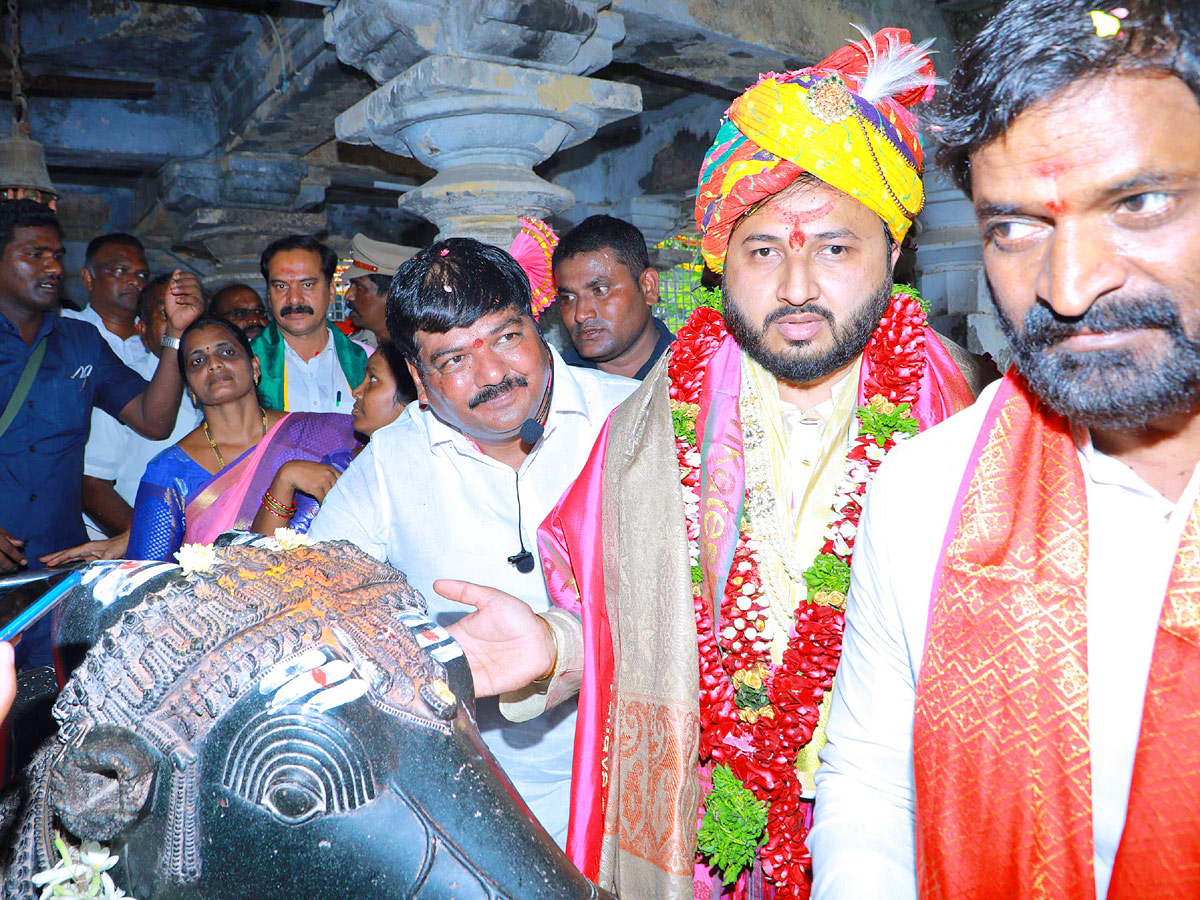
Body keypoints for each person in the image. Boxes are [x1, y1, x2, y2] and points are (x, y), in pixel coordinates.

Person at [439, 28, 991, 898]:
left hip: (911, 821)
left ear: (893, 252)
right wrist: (552, 648)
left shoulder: (964, 420)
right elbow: (620, 623)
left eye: (836, 247)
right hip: (706, 823)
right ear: (719, 262)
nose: (798, 284)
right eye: (764, 249)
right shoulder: (648, 430)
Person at [809, 3, 1200, 899]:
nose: (1067, 289)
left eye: (1138, 203)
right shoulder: (927, 491)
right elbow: (872, 781)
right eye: (1015, 228)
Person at [308, 237, 637, 848]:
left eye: (507, 338)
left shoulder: (639, 419)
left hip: (643, 782)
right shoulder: (390, 463)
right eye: (455, 359)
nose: (494, 375)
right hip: (479, 807)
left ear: (539, 330)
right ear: (419, 380)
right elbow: (314, 610)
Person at [0, 200, 200, 666]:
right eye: (34, 255)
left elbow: (154, 420)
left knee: (48, 714)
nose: (52, 267)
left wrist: (174, 336)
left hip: (57, 573)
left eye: (57, 255)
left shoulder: (80, 341)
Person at [127, 315, 360, 562]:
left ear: (255, 365)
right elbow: (148, 577)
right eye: (197, 361)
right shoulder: (168, 471)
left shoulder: (327, 433)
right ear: (190, 387)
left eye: (227, 352)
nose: (214, 364)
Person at [42, 275, 206, 565]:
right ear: (142, 330)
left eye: (189, 313)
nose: (180, 322)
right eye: (165, 315)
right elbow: (92, 484)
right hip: (130, 557)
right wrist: (151, 537)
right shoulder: (126, 388)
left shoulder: (219, 381)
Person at [250, 340, 414, 534]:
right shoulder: (342, 466)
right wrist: (285, 478)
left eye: (373, 380)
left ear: (413, 391)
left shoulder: (438, 463)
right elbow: (261, 555)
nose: (356, 391)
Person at [62, 233, 158, 539]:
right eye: (120, 271)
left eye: (141, 274)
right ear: (88, 278)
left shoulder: (155, 346)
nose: (134, 282)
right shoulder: (65, 331)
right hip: (78, 515)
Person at [252, 234, 367, 413]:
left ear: (331, 291)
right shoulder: (247, 362)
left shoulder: (365, 360)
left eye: (307, 285)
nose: (294, 300)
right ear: (268, 295)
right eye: (281, 287)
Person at [554, 214, 673, 380]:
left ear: (648, 287)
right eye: (568, 298)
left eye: (600, 290)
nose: (580, 315)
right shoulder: (555, 386)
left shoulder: (699, 378)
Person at [343, 232, 416, 346]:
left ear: (393, 295)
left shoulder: (418, 350)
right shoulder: (353, 347)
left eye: (359, 287)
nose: (348, 295)